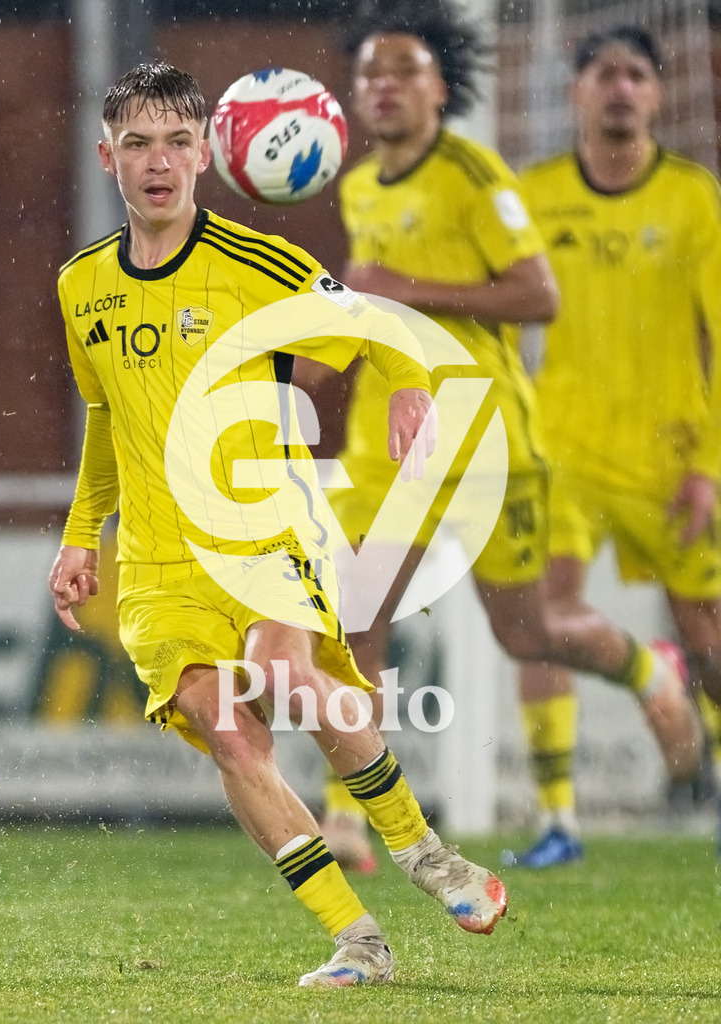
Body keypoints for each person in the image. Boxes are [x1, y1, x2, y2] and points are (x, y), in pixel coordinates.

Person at [48, 61, 510, 990]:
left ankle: (424, 853)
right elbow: (104, 419)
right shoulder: (80, 287)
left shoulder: (261, 266)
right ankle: (357, 940)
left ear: (208, 155)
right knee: (227, 733)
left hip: (265, 529)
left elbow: (385, 326)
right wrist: (78, 533)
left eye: (178, 141)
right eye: (137, 142)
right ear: (107, 157)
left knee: (284, 674)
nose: (158, 161)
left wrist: (412, 390)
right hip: (157, 561)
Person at [294, 1, 704, 871]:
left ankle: (645, 669)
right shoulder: (360, 185)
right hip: (388, 438)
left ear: (441, 86)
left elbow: (537, 297)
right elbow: (373, 305)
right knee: (355, 615)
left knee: (528, 634)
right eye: (371, 74)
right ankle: (347, 817)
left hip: (489, 441)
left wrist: (404, 286)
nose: (385, 87)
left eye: (404, 70)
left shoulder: (475, 174)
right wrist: (307, 376)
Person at [509, 24, 721, 868]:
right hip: (562, 448)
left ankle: (704, 765)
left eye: (638, 74)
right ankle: (558, 817)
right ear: (578, 93)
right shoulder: (534, 193)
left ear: (660, 95)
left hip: (671, 453)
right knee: (540, 622)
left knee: (705, 632)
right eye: (606, 74)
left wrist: (709, 463)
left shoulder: (693, 197)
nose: (622, 88)